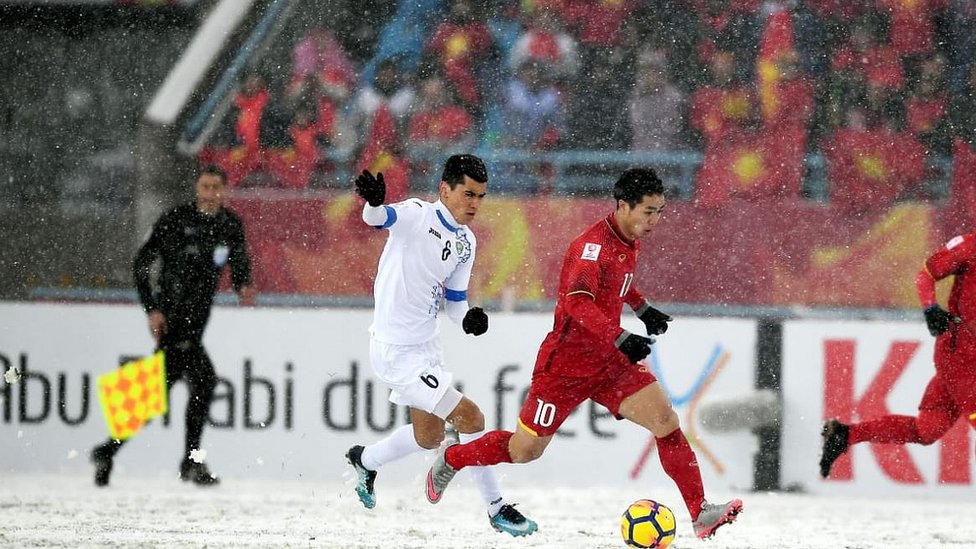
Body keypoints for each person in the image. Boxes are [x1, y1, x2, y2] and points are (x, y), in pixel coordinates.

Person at [423, 167, 744, 540]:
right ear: (624, 206)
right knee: (524, 450)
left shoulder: (629, 237)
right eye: (649, 211)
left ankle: (700, 513)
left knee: (665, 420)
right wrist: (621, 335)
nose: (655, 220)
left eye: (660, 211)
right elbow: (577, 304)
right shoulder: (591, 248)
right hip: (566, 367)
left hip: (608, 363)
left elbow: (617, 282)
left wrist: (641, 308)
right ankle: (451, 459)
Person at [344, 154, 538, 537]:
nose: (475, 204)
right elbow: (378, 219)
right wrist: (374, 203)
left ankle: (364, 460)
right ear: (444, 189)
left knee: (428, 437)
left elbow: (455, 302)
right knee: (472, 418)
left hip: (426, 347)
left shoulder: (467, 242)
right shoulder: (417, 214)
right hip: (395, 349)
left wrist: (468, 318)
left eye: (481, 197)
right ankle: (497, 508)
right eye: (468, 194)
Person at [90, 165, 255, 487]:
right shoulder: (175, 220)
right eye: (204, 187)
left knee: (158, 395)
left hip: (197, 321)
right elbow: (142, 263)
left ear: (223, 191)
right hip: (174, 318)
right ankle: (189, 461)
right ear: (197, 189)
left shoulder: (229, 224)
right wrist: (152, 309)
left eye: (215, 188)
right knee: (203, 383)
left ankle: (107, 451)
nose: (209, 194)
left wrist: (242, 285)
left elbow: (239, 262)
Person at [820, 231, 974, 478]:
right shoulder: (969, 246)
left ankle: (845, 435)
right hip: (961, 357)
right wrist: (930, 308)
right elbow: (926, 275)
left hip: (964, 357)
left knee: (927, 430)